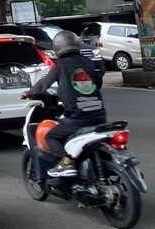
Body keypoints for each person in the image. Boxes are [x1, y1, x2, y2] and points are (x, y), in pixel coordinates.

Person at [22, 30, 106, 178]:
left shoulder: (60, 65)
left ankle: (66, 162)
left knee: (51, 136)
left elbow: (44, 83)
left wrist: (29, 93)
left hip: (77, 119)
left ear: (57, 47)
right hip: (100, 117)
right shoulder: (89, 63)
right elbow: (97, 84)